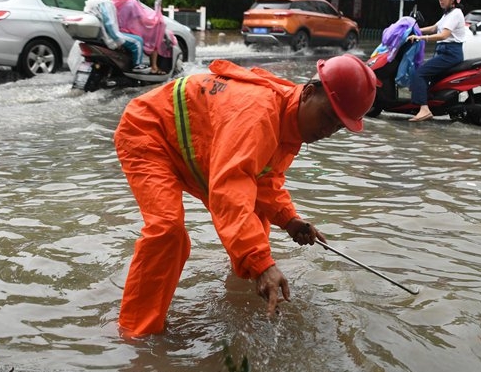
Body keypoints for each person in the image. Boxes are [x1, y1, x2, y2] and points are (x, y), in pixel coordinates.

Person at [113, 55, 378, 337]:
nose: (328, 130)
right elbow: (230, 189)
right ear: (309, 93)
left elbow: (265, 179)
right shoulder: (257, 113)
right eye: (328, 117)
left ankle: (244, 297)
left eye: (339, 126)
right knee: (167, 231)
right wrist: (262, 262)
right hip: (150, 132)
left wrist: (289, 220)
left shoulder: (289, 123)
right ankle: (135, 334)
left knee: (257, 218)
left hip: (196, 146)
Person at [408, 0, 468, 122]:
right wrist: (413, 30)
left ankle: (424, 109)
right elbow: (435, 27)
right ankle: (431, 104)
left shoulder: (456, 14)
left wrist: (421, 38)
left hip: (450, 54)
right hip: (446, 53)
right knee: (428, 77)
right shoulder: (448, 14)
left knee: (420, 74)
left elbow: (443, 35)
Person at [83, 0, 147, 69]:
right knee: (138, 41)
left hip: (98, 35)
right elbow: (110, 24)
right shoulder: (106, 3)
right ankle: (137, 66)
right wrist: (118, 41)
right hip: (108, 36)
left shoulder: (92, 0)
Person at [112, 0, 169, 74]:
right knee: (151, 38)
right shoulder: (131, 3)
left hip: (118, 29)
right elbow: (144, 18)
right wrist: (157, 16)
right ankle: (149, 66)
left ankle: (153, 67)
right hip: (125, 32)